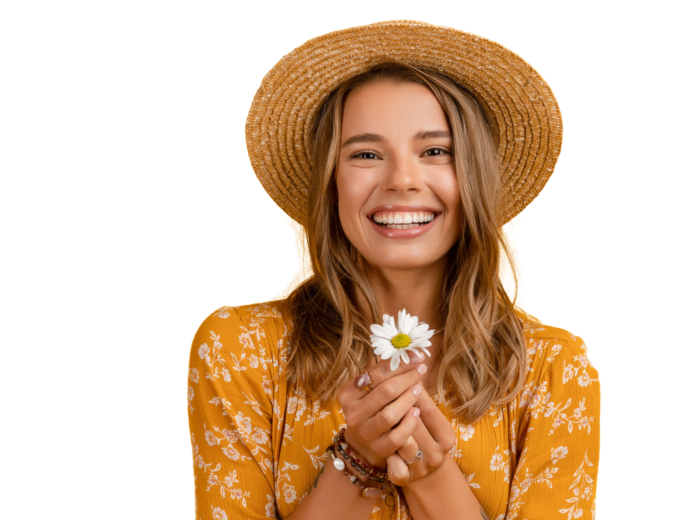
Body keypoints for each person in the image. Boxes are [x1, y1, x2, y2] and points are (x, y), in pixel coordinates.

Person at [186, 20, 601, 520]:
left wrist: (429, 474)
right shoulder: (240, 350)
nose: (402, 180)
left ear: (473, 177)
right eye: (365, 153)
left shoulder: (554, 369)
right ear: (331, 183)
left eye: (435, 151)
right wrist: (357, 462)